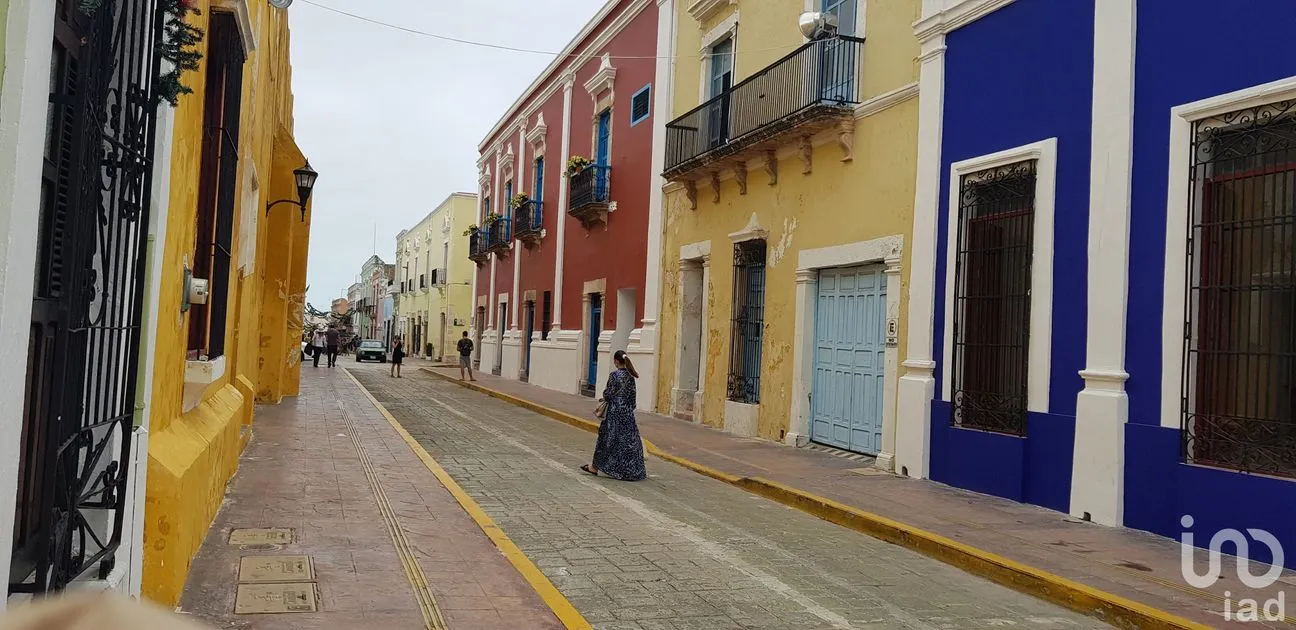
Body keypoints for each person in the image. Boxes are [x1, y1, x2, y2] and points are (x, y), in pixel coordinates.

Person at [581, 350, 646, 481]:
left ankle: (595, 467)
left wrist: (605, 397)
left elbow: (608, 395)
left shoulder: (614, 376)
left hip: (614, 413)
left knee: (606, 440)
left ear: (616, 361)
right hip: (627, 414)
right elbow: (633, 399)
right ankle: (631, 471)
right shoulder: (631, 377)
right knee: (628, 442)